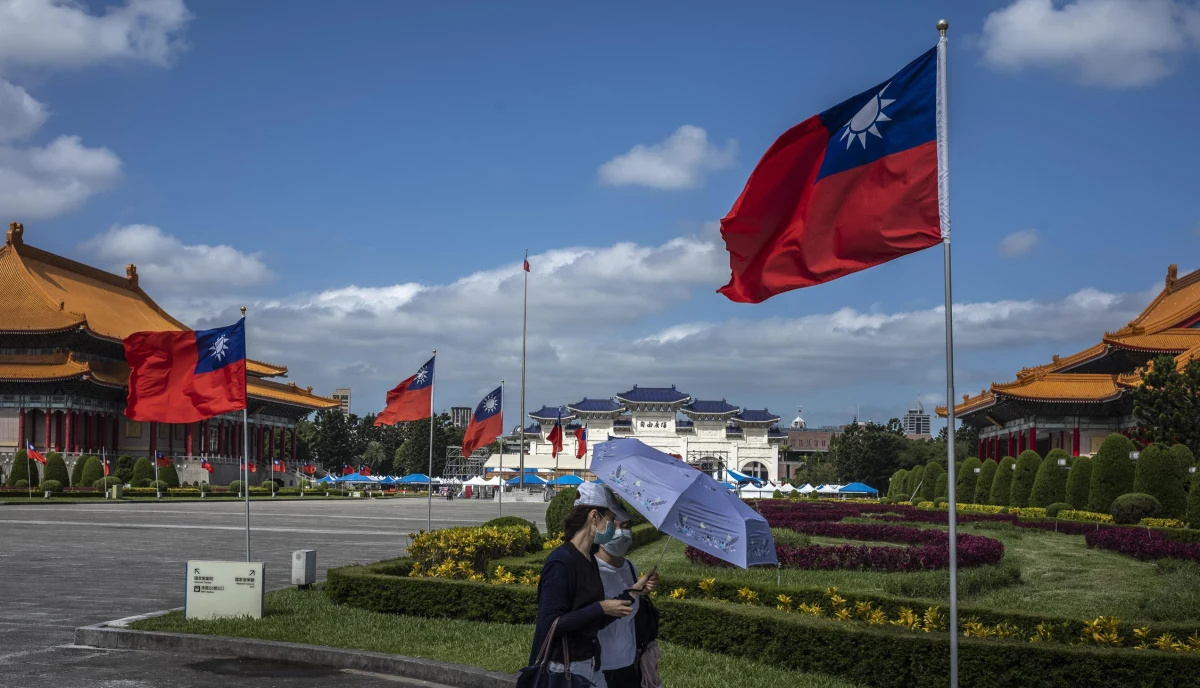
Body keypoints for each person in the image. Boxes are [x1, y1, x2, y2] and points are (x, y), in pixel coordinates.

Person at [530, 483, 657, 687]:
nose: (613, 524)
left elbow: (596, 618)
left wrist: (634, 591)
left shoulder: (589, 559)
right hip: (563, 669)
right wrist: (600, 607)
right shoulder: (560, 562)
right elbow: (550, 623)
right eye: (611, 519)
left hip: (590, 664)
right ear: (594, 517)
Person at [595, 518, 644, 687]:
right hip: (596, 668)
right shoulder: (589, 568)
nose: (621, 532)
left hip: (628, 664)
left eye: (625, 526)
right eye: (613, 527)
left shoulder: (631, 567)